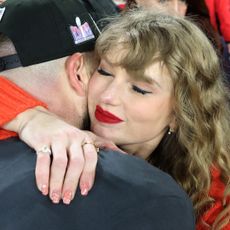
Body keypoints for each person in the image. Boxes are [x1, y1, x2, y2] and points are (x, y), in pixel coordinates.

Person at [2, 6, 230, 230]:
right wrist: (28, 118)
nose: (108, 96)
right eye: (104, 72)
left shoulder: (217, 201)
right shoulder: (58, 131)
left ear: (180, 114)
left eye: (140, 89)